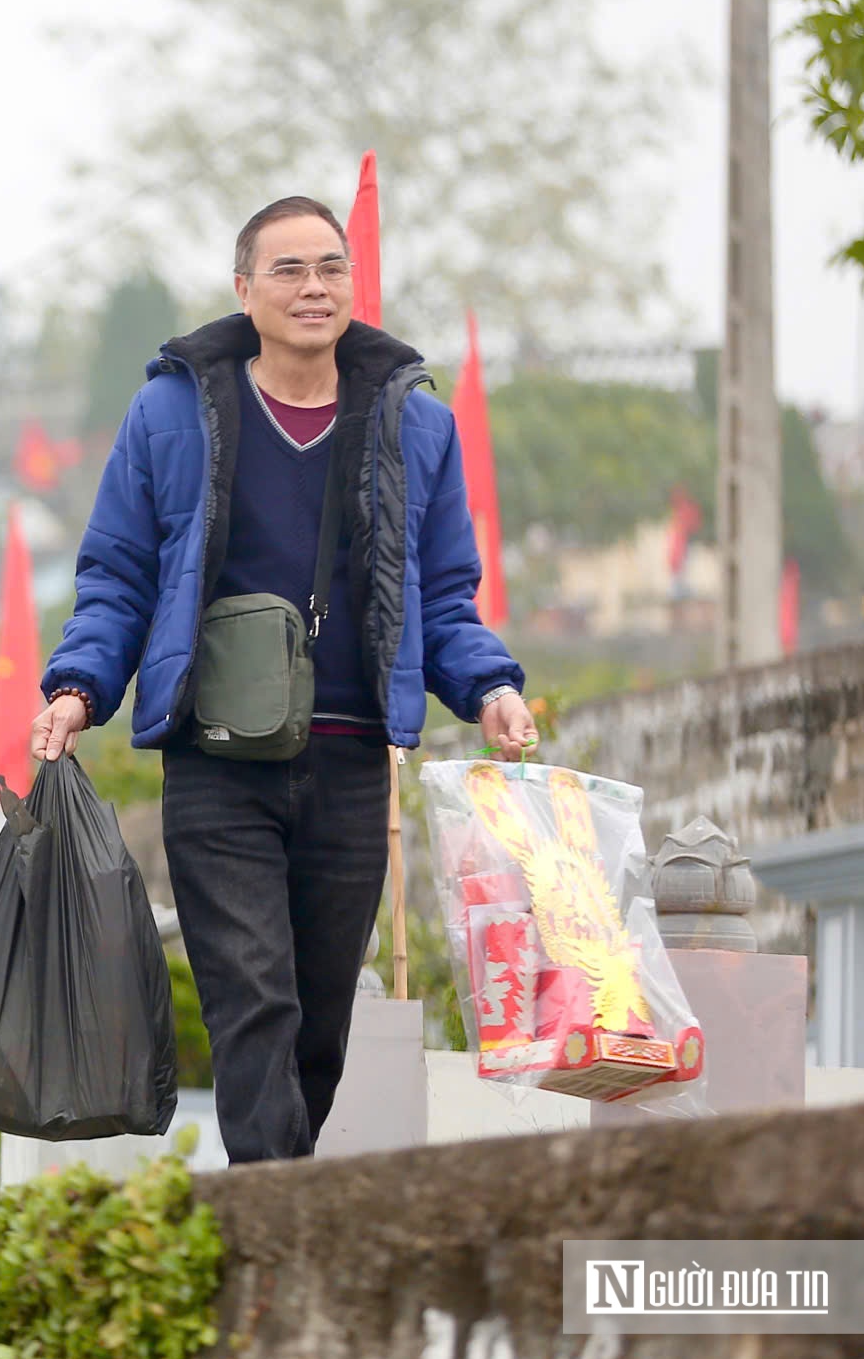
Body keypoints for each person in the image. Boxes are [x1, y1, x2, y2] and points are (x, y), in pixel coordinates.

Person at [31, 195, 536, 1165]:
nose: (313, 288)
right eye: (289, 270)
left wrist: (489, 689)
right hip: (217, 758)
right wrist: (78, 687)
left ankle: (275, 1198)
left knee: (318, 1021)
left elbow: (442, 593)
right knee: (251, 995)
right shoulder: (172, 412)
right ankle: (272, 1217)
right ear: (243, 290)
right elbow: (119, 573)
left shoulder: (414, 426)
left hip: (349, 762)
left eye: (330, 269)